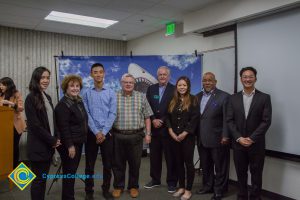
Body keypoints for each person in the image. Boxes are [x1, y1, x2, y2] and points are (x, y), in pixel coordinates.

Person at [227, 66, 272, 200]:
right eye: (245, 77)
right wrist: (239, 138)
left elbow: (266, 121)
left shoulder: (264, 98)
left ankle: (255, 197)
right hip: (238, 144)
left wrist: (251, 138)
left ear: (255, 78)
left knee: (256, 174)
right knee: (241, 174)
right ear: (241, 79)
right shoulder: (233, 98)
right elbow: (229, 120)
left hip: (256, 145)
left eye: (250, 76)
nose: (248, 79)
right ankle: (242, 196)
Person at [112, 73, 153, 198]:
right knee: (118, 164)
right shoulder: (114, 96)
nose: (128, 84)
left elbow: (147, 117)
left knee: (135, 163)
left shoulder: (141, 97)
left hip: (136, 136)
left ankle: (133, 186)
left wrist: (148, 134)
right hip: (118, 135)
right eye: (126, 82)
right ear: (121, 83)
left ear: (134, 84)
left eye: (131, 82)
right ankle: (118, 186)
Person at [25, 66, 61, 200]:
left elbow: (52, 121)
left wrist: (56, 137)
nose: (46, 80)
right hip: (38, 147)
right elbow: (35, 126)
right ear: (36, 78)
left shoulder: (47, 97)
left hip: (47, 146)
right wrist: (52, 140)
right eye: (43, 77)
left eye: (48, 77)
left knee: (42, 179)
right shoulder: (31, 98)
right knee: (38, 181)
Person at [82, 63, 117, 200]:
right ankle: (89, 191)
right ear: (91, 74)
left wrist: (103, 132)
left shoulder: (110, 92)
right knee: (89, 165)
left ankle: (106, 189)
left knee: (108, 165)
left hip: (107, 134)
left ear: (104, 74)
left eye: (100, 72)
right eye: (95, 72)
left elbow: (113, 114)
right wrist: (96, 132)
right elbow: (86, 114)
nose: (98, 74)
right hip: (91, 134)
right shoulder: (86, 93)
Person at [196, 72, 230, 200]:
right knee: (206, 165)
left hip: (218, 139)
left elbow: (228, 119)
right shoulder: (197, 96)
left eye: (210, 80)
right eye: (205, 80)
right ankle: (208, 186)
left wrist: (226, 136)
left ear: (215, 82)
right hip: (201, 138)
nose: (207, 82)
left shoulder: (224, 96)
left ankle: (219, 190)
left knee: (220, 167)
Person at [144, 66, 177, 193]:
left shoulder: (174, 89)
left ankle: (172, 182)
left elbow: (174, 108)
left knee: (170, 157)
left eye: (164, 74)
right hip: (154, 129)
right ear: (157, 76)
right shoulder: (151, 89)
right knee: (154, 157)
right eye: (160, 74)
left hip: (168, 129)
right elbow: (147, 106)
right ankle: (155, 180)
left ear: (168, 76)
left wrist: (162, 120)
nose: (162, 76)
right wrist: (153, 119)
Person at [55, 75, 88, 200]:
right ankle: (69, 198)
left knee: (71, 173)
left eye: (77, 86)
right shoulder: (63, 105)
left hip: (78, 143)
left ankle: (68, 197)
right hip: (70, 145)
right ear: (66, 88)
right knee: (69, 173)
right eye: (72, 86)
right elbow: (63, 128)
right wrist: (70, 146)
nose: (75, 88)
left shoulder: (78, 101)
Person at [166, 76, 199, 200]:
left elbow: (195, 119)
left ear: (188, 86)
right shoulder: (172, 99)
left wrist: (185, 133)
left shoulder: (193, 99)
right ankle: (181, 187)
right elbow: (167, 117)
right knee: (178, 163)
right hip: (174, 137)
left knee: (188, 164)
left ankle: (188, 189)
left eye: (184, 85)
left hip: (187, 138)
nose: (182, 87)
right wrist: (171, 131)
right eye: (180, 85)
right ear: (176, 86)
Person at [0, 77, 27, 168]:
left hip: (15, 126)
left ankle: (14, 169)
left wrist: (10, 103)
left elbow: (21, 108)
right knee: (6, 148)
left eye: (2, 84)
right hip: (4, 125)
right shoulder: (1, 95)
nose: (1, 86)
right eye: (0, 84)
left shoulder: (16, 94)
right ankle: (7, 168)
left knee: (14, 148)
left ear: (8, 85)